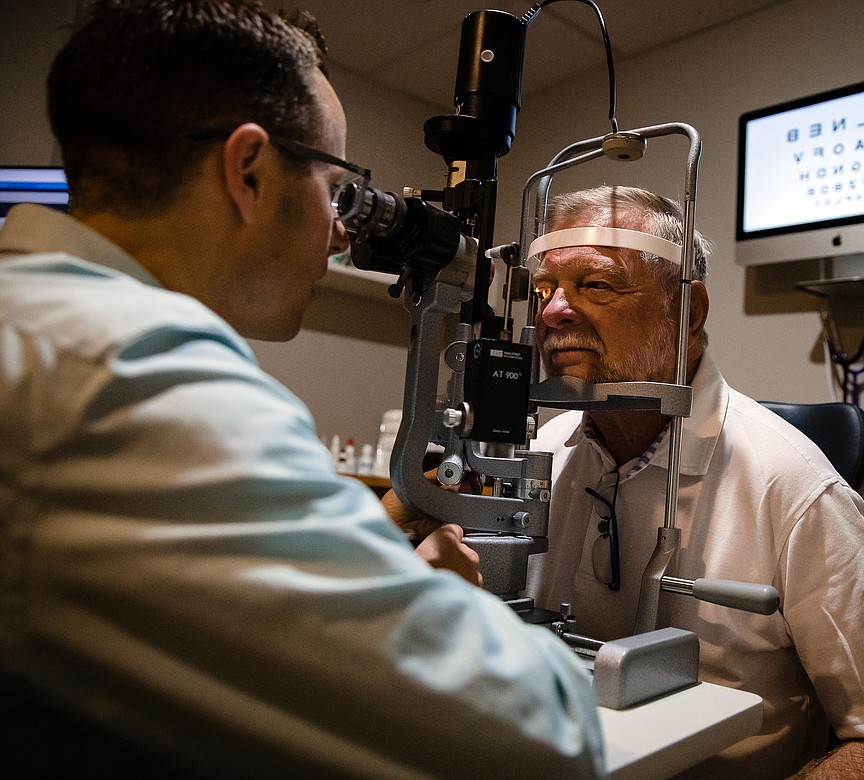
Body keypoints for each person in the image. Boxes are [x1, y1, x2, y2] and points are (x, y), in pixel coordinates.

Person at [0, 1, 604, 777]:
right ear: (247, 171)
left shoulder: (40, 321)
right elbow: (539, 736)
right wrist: (436, 606)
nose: (344, 229)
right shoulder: (133, 376)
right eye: (335, 186)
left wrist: (375, 545)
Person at [525, 185, 864, 778]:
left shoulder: (791, 486)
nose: (552, 313)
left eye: (594, 285)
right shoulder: (540, 453)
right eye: (544, 290)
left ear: (688, 313)